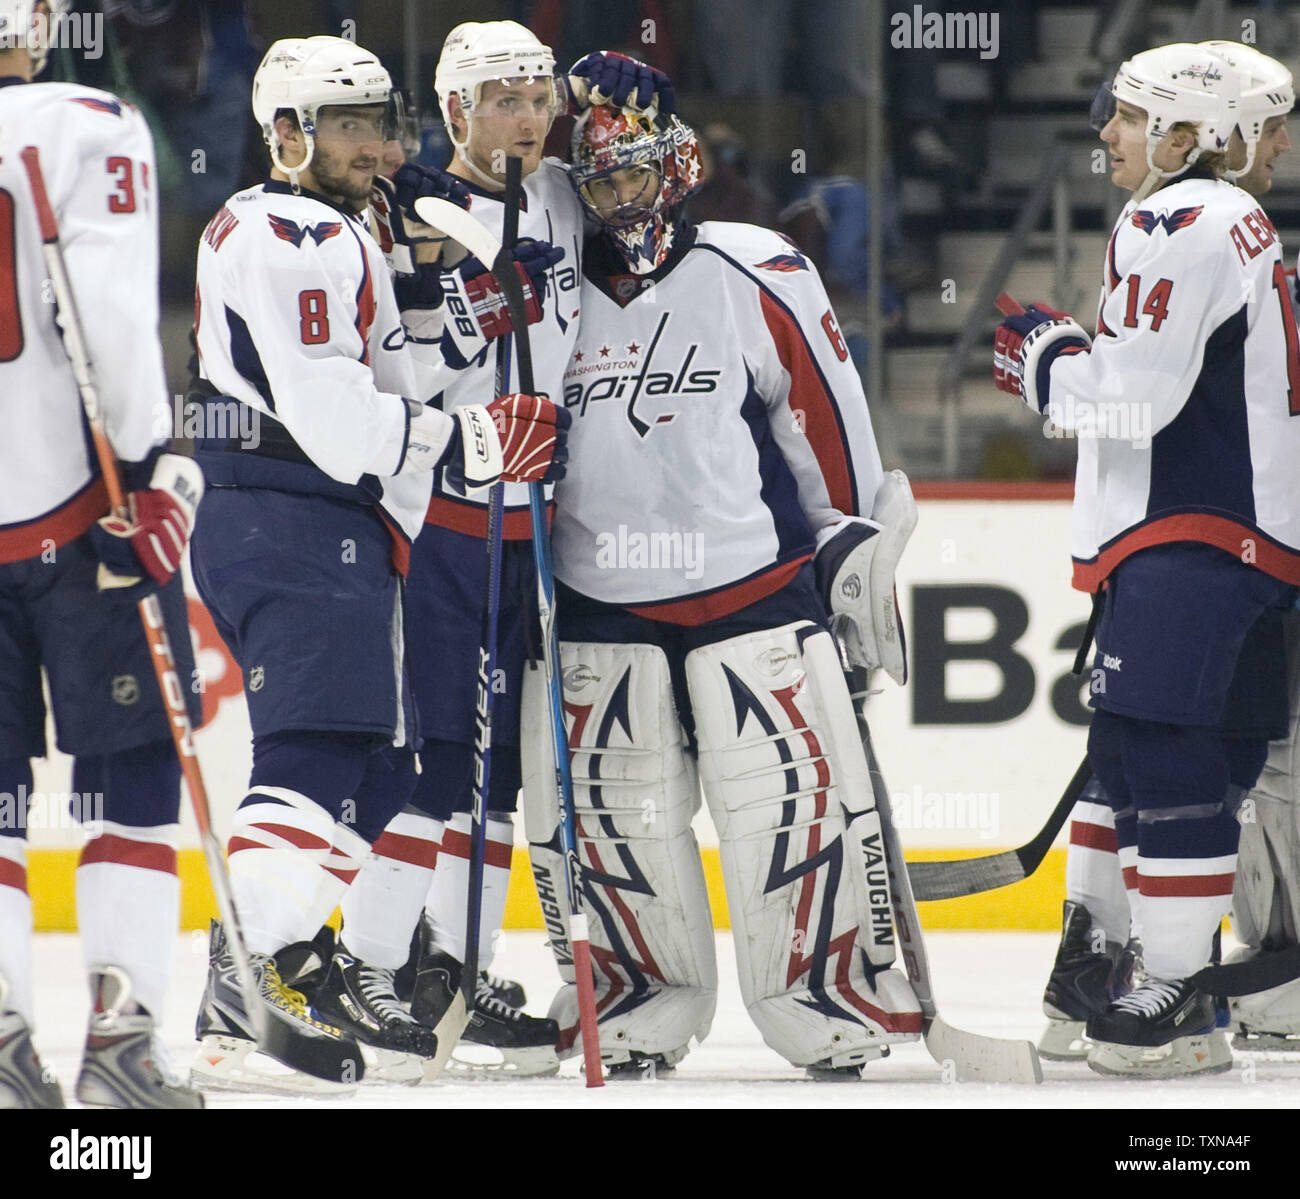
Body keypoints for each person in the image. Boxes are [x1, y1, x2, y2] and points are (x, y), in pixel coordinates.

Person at [186, 33, 567, 1093]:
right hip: (291, 516)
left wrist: (463, 323)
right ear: (286, 134)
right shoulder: (292, 229)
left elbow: (390, 369)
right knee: (312, 754)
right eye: (347, 126)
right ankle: (236, 1003)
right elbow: (337, 420)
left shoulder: (343, 225)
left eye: (379, 124)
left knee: (378, 768)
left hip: (323, 523)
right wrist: (469, 442)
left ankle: (290, 956)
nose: (376, 145)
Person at [516, 101, 923, 1079]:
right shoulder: (548, 292)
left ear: (679, 166)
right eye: (600, 178)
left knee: (788, 804)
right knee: (620, 819)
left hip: (755, 588)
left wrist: (851, 551)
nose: (620, 194)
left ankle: (826, 985)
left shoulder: (752, 264)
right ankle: (631, 996)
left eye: (636, 171)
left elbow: (822, 414)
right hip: (596, 601)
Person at [342, 21, 675, 1076]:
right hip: (444, 518)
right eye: (502, 99)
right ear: (453, 114)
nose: (528, 118)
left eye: (539, 98)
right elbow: (393, 380)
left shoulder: (564, 194)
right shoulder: (412, 213)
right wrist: (481, 310)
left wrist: (643, 93)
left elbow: (659, 192)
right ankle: (370, 961)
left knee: (501, 773)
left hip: (535, 521)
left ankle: (460, 966)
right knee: (443, 753)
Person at [993, 42, 1300, 1078]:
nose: (1106, 136)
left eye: (1127, 119)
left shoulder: (1184, 214)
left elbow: (1129, 398)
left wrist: (1042, 358)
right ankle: (1100, 965)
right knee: (1151, 753)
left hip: (1199, 533)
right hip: (1230, 536)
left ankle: (1170, 993)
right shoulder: (1230, 222)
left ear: (1188, 138)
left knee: (1162, 752)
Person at [0, 0, 204, 1108]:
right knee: (130, 772)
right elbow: (115, 321)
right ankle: (121, 1033)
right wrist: (147, 464)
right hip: (81, 517)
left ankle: (3, 1034)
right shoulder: (84, 120)